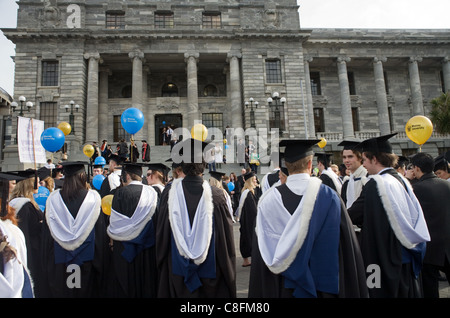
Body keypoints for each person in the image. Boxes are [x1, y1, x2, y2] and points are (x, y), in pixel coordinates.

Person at [249, 139, 367, 298]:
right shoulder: (328, 196)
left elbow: (261, 249)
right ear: (311, 163)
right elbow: (345, 246)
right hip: (321, 285)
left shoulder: (267, 200)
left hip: (281, 284)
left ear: (286, 166)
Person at [348, 133, 430, 298]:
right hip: (406, 254)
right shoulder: (401, 179)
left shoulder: (376, 184)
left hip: (385, 259)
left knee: (378, 289)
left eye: (364, 160)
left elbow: (353, 215)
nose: (363, 165)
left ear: (375, 159)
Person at [156, 138, 236, 298]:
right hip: (211, 275)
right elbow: (226, 244)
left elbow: (162, 238)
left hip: (178, 273)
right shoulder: (218, 197)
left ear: (181, 166)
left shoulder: (170, 196)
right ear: (205, 165)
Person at [40, 161, 110, 297]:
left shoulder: (53, 200)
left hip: (59, 263)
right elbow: (100, 237)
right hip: (87, 263)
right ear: (82, 176)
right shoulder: (93, 199)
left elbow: (46, 239)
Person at [107, 162, 159, 297]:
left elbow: (115, 223)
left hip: (124, 248)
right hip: (146, 247)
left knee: (126, 284)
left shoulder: (120, 193)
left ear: (127, 176)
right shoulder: (152, 193)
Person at [410, 152, 450, 298]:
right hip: (448, 244)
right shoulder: (447, 184)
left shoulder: (415, 189)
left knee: (430, 289)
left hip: (429, 248)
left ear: (417, 168)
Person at [8, 169, 43, 296]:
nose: (39, 185)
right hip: (30, 254)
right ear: (29, 184)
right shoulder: (25, 207)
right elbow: (24, 235)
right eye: (37, 182)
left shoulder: (15, 204)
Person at [236, 171, 258, 267]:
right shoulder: (248, 193)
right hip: (249, 220)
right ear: (250, 181)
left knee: (245, 237)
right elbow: (253, 210)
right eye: (254, 180)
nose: (256, 181)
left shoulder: (247, 192)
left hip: (246, 220)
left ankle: (246, 260)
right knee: (249, 238)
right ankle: (250, 259)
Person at [338, 140, 368, 209]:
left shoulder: (367, 177)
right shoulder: (347, 182)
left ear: (360, 158)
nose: (346, 160)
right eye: (344, 157)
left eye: (350, 156)